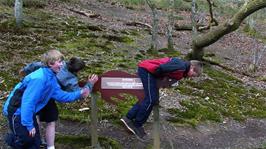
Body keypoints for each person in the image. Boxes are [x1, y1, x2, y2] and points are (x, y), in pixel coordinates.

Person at [2, 50, 91, 149]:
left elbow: (61, 96)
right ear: (50, 63)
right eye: (60, 62)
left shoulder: (51, 78)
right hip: (17, 112)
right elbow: (28, 103)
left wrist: (80, 93)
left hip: (27, 113)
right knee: (26, 141)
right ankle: (11, 139)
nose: (62, 65)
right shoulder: (39, 79)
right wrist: (29, 125)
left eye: (62, 61)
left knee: (35, 144)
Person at [19, 57, 98, 149]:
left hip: (35, 92)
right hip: (49, 97)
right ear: (78, 71)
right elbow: (81, 94)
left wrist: (24, 70)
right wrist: (90, 84)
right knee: (51, 122)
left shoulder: (57, 64)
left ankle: (37, 140)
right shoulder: (71, 80)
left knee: (35, 116)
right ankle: (50, 146)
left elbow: (37, 65)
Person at [120, 57, 202, 141]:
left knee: (151, 99)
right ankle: (137, 125)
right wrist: (156, 79)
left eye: (193, 76)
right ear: (191, 67)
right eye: (193, 74)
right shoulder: (181, 66)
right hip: (146, 70)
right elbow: (161, 68)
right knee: (151, 99)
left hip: (150, 72)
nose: (192, 76)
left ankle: (128, 118)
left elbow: (167, 73)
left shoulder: (182, 71)